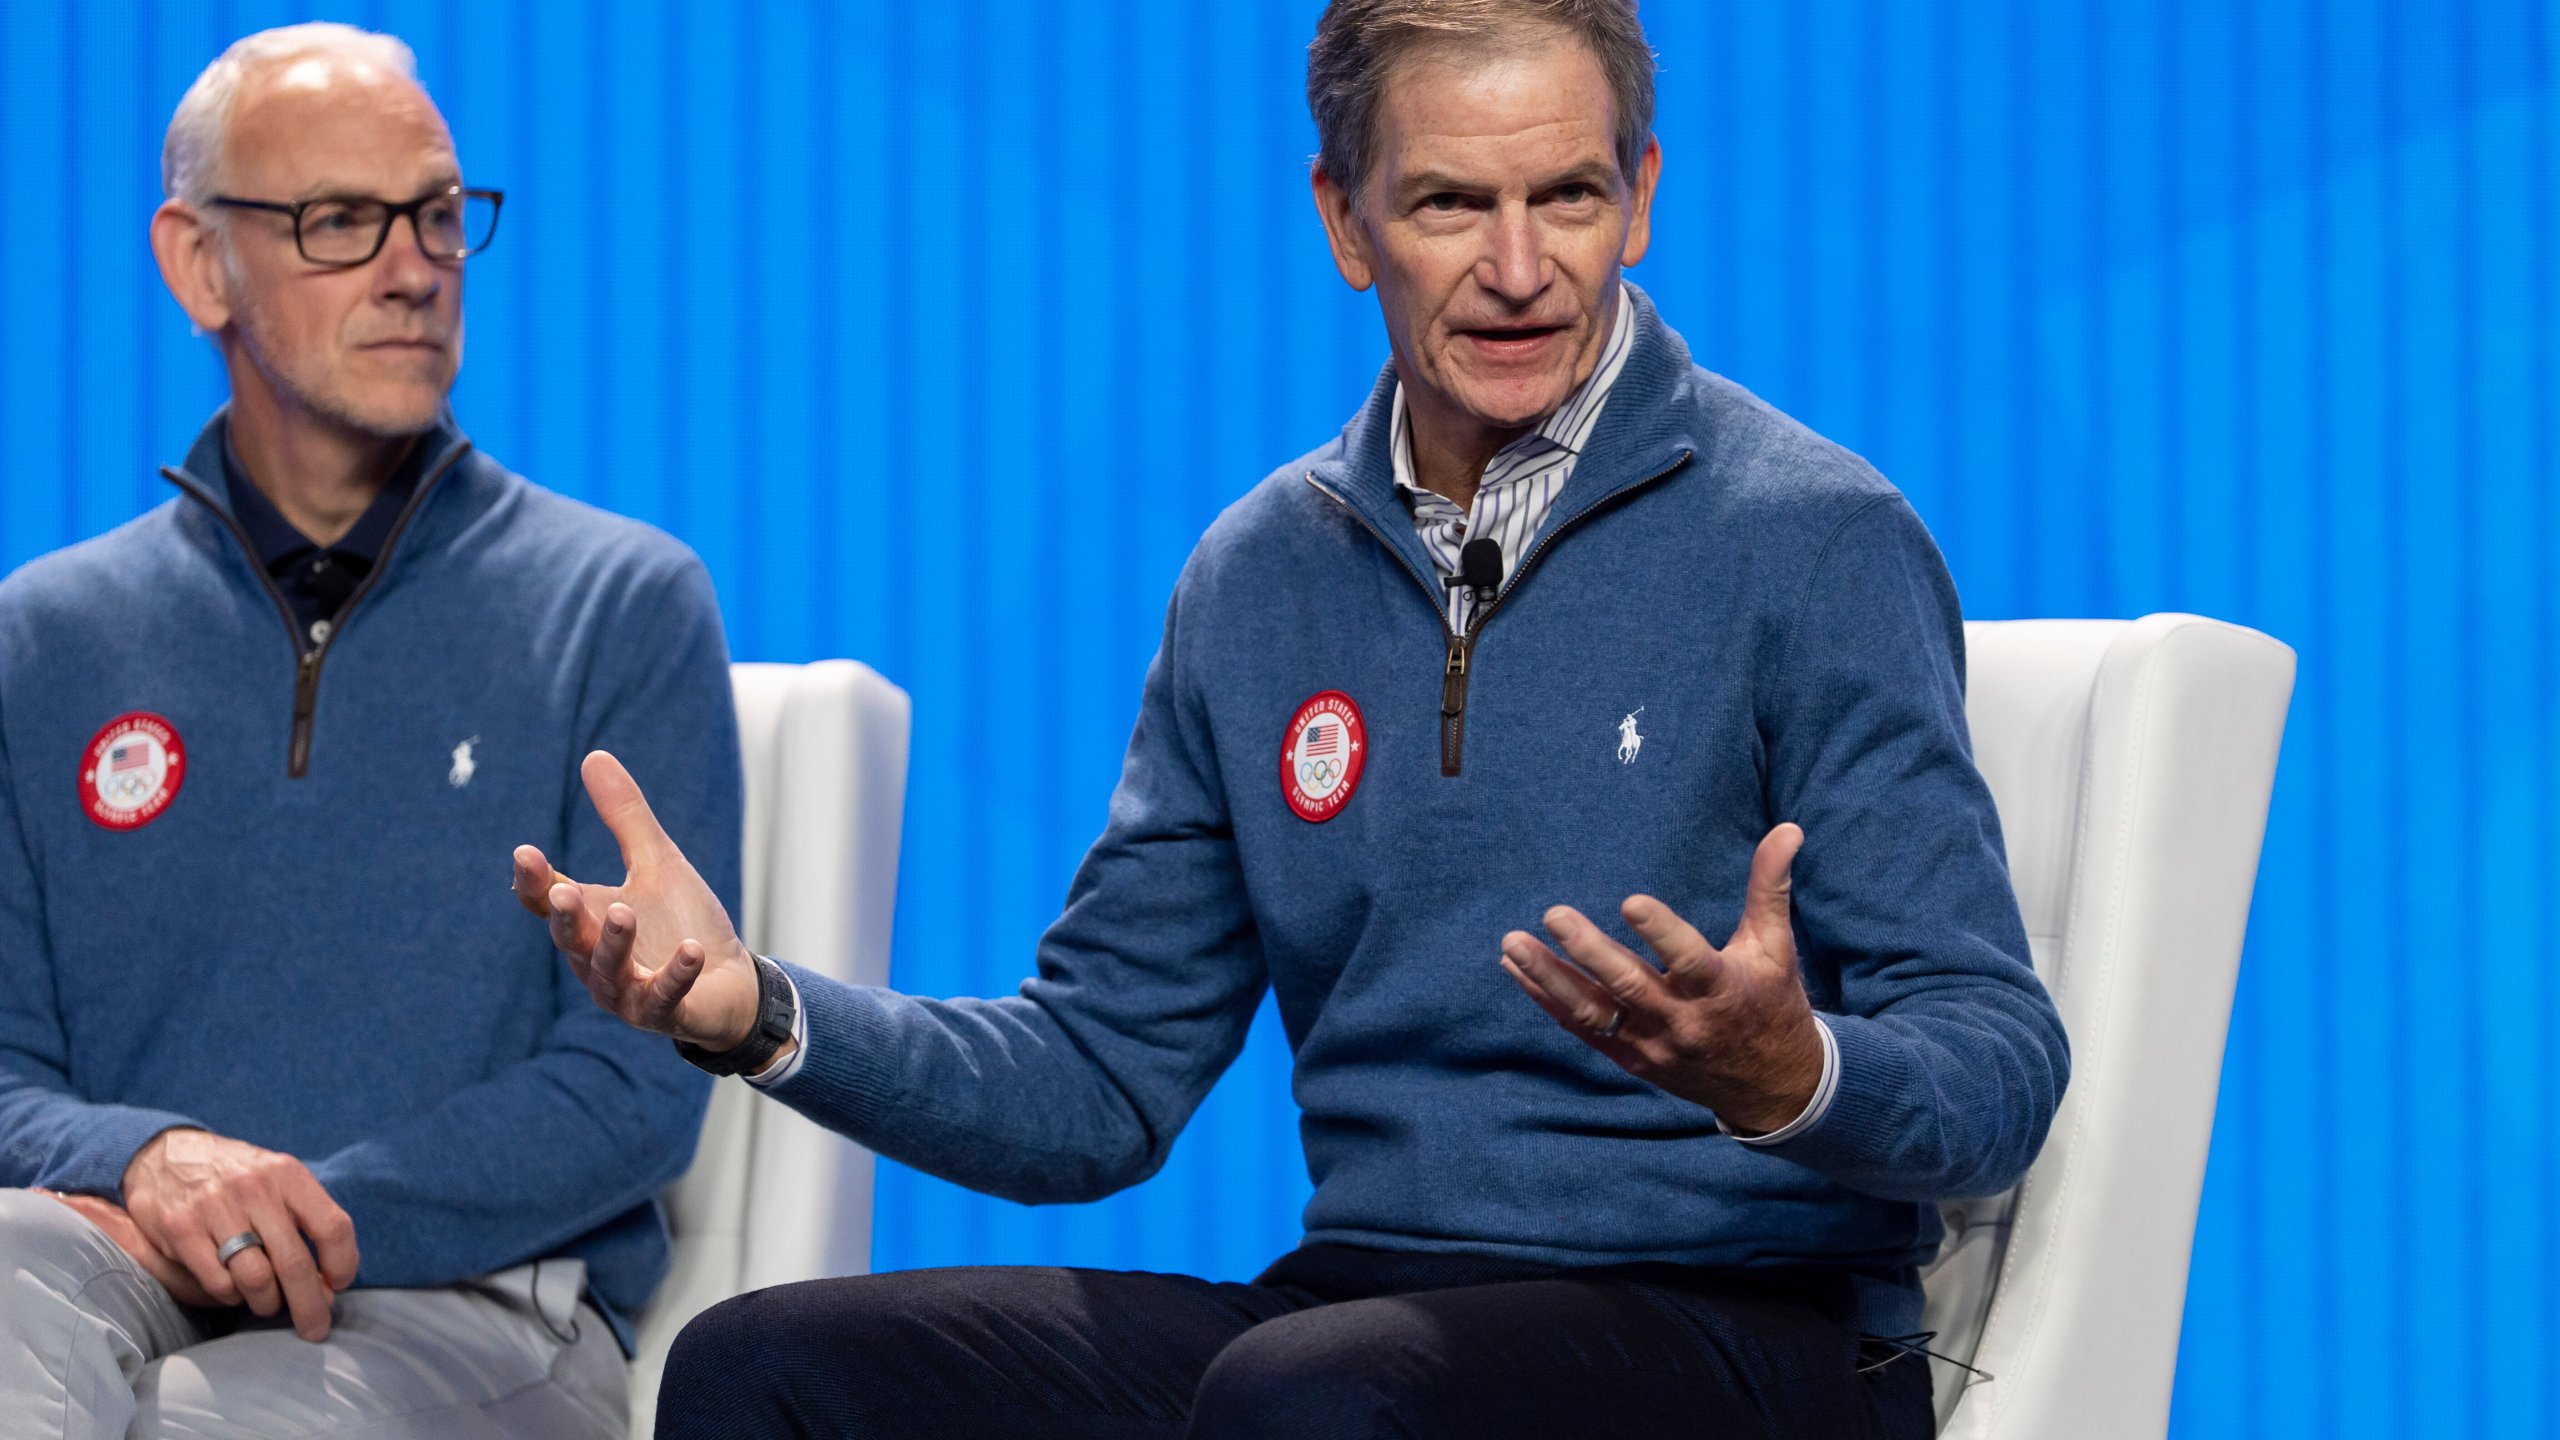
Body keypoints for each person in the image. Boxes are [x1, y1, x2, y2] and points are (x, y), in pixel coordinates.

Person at [519, 1, 2068, 1435]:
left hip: (1760, 1328)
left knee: (1313, 1398)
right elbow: (1095, 1084)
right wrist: (758, 1013)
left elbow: (1995, 1063)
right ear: (1344, 219)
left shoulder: (1813, 538)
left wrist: (1787, 1075)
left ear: (1643, 194)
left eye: (1571, 199)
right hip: (1370, 1306)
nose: (1522, 267)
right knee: (769, 1370)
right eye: (1453, 203)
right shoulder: (1259, 574)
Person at [0, 22, 742, 1439]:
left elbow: (632, 1087)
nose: (414, 268)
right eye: (341, 221)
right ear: (198, 263)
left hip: (472, 1304)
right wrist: (151, 1162)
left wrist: (281, 1213)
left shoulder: (621, 602)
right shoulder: (41, 639)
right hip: (118, 1247)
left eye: (439, 215)